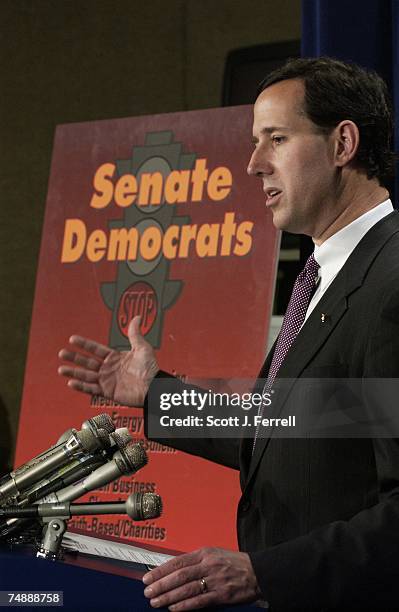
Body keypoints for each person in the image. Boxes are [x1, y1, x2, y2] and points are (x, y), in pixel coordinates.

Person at [58, 57, 399, 610]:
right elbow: (290, 427)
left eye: (276, 139)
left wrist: (266, 573)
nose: (252, 164)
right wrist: (155, 395)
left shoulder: (390, 283)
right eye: (254, 141)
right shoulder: (326, 276)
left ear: (343, 144)